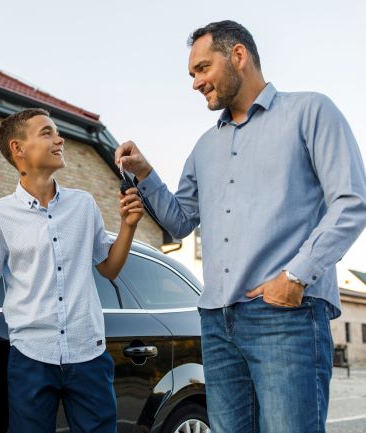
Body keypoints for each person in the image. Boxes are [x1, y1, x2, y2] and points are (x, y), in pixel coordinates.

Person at [116, 20, 366, 433]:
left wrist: (294, 277)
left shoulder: (310, 111)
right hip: (217, 323)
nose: (195, 83)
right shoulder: (204, 147)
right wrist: (145, 174)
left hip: (285, 315)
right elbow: (179, 223)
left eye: (202, 68)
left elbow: (351, 202)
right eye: (191, 74)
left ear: (238, 55)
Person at [0, 107, 144, 432]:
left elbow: (110, 269)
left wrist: (128, 226)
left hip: (89, 355)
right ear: (18, 148)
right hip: (31, 357)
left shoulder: (83, 204)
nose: (59, 139)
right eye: (47, 133)